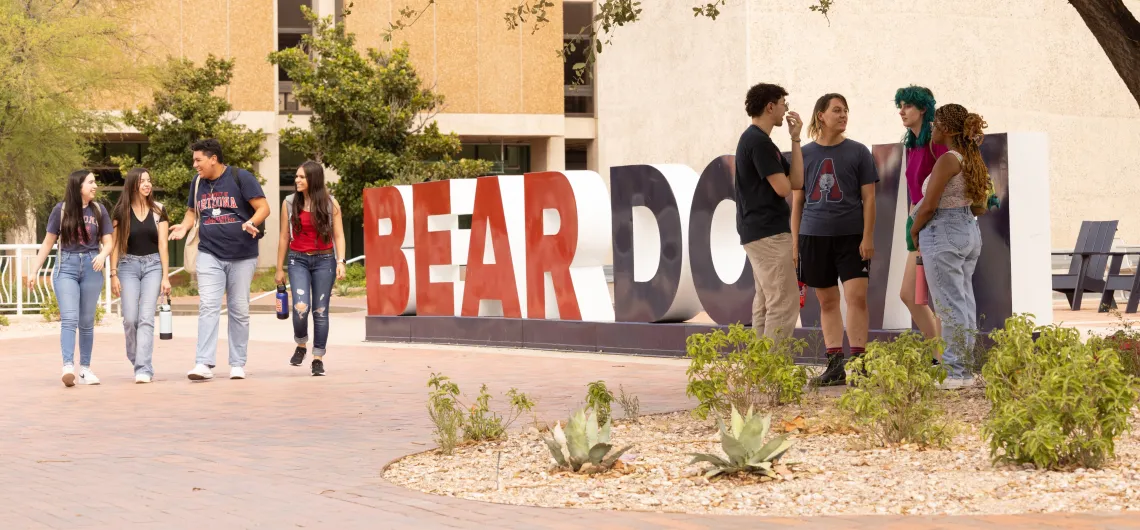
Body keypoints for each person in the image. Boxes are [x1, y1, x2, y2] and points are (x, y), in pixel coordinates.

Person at [792, 93, 880, 386]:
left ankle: (860, 363)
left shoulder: (859, 152)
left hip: (852, 237)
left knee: (857, 298)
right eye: (837, 110)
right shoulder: (804, 154)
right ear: (821, 115)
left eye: (846, 111)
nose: (843, 116)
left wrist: (867, 237)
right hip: (813, 236)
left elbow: (869, 199)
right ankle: (835, 366)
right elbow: (798, 203)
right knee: (827, 301)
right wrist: (795, 244)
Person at [169, 138, 271, 381]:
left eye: (198, 160)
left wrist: (251, 222)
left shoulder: (240, 177)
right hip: (209, 253)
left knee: (239, 310)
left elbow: (263, 207)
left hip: (242, 255)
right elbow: (192, 212)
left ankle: (237, 363)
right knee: (208, 306)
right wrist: (184, 227)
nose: (195, 165)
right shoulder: (197, 183)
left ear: (213, 158)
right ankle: (203, 363)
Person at [909, 104, 991, 389]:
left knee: (949, 304)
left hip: (943, 231)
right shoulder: (970, 156)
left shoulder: (947, 160)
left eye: (935, 123)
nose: (932, 128)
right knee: (963, 301)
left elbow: (930, 204)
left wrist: (915, 229)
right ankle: (964, 369)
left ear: (946, 128)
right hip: (967, 229)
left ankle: (955, 372)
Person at [25, 170, 113, 387]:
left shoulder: (99, 210)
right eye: (91, 182)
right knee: (70, 318)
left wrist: (102, 255)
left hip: (93, 265)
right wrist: (35, 270)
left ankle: (85, 369)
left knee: (86, 321)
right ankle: (67, 367)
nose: (95, 186)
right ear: (78, 186)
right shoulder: (61, 210)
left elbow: (109, 242)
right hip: (66, 266)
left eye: (94, 182)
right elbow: (47, 243)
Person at [734, 83, 804, 343]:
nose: (786, 108)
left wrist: (795, 138)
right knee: (784, 304)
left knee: (766, 302)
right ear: (770, 106)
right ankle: (773, 373)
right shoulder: (758, 142)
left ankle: (761, 372)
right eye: (783, 102)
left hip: (760, 232)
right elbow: (784, 188)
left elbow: (797, 181)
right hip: (769, 233)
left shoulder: (761, 141)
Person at [274, 161, 347, 376]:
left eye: (302, 177)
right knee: (300, 308)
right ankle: (301, 344)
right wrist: (279, 269)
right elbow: (284, 236)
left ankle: (317, 357)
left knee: (320, 311)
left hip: (325, 260)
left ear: (313, 179)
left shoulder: (330, 204)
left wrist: (341, 261)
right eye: (296, 176)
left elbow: (339, 235)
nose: (297, 180)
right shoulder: (288, 203)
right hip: (298, 260)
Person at [110, 168, 172, 384]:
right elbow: (115, 244)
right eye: (142, 181)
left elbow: (163, 244)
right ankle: (137, 359)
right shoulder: (120, 211)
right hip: (127, 266)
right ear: (132, 185)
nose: (147, 184)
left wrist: (166, 276)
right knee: (130, 319)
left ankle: (143, 368)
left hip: (153, 266)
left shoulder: (159, 210)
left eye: (149, 180)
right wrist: (113, 274)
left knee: (146, 318)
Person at [896, 85, 945, 354]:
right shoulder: (913, 145)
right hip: (917, 225)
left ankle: (946, 359)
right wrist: (911, 221)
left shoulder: (935, 142)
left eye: (908, 106)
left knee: (939, 295)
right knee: (909, 294)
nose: (902, 111)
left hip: (938, 224)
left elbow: (944, 185)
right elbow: (917, 191)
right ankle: (938, 353)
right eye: (900, 106)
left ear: (923, 108)